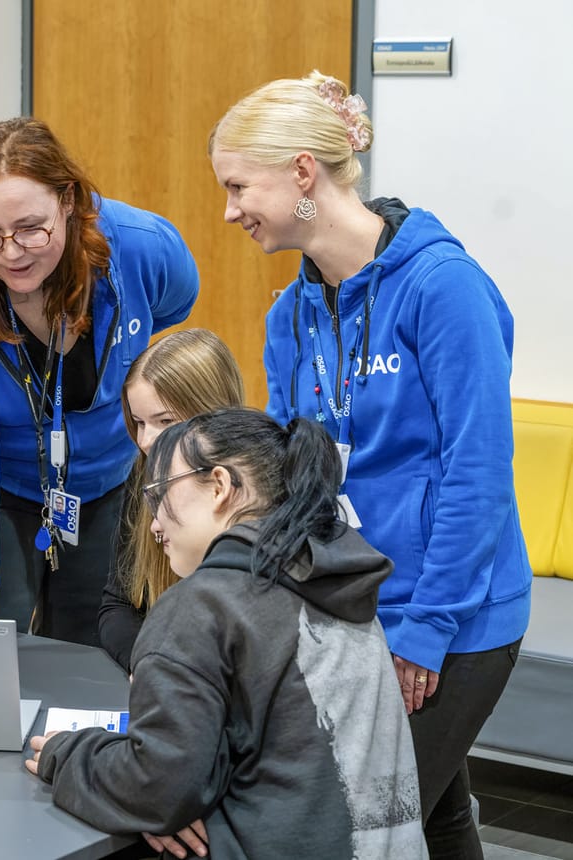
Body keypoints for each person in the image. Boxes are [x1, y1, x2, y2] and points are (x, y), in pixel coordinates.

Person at [209, 71, 529, 858]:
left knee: (356, 830)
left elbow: (477, 471)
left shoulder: (441, 287)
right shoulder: (290, 314)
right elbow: (295, 478)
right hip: (357, 608)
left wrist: (428, 626)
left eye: (239, 186)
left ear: (303, 174)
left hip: (451, 617)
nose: (229, 211)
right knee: (436, 815)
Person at [28, 408, 428, 859]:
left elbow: (156, 790)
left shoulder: (204, 605)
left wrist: (67, 754)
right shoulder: (339, 582)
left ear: (219, 486)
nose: (154, 523)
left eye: (159, 495)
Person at [0, 117, 199, 645]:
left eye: (30, 229)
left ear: (69, 200)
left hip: (110, 486)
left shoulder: (140, 247)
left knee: (96, 666)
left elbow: (177, 303)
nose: (11, 252)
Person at [98, 328, 244, 670]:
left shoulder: (255, 497)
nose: (146, 441)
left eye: (165, 421)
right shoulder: (143, 475)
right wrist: (150, 662)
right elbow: (117, 606)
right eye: (138, 423)